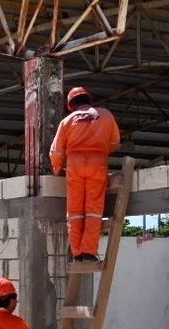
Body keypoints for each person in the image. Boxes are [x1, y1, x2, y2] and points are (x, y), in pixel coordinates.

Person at [50, 86, 120, 262]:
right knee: (94, 210)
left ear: (71, 105)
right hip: (98, 164)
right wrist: (100, 150)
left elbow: (56, 151)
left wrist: (57, 168)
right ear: (88, 99)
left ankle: (77, 253)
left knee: (75, 211)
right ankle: (88, 251)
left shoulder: (67, 121)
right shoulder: (105, 115)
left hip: (75, 166)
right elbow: (114, 142)